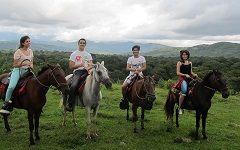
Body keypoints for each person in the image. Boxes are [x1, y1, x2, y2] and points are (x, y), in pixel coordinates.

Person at [0, 36, 34, 114]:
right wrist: (23, 63)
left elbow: (31, 61)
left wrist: (31, 65)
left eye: (29, 41)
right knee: (11, 86)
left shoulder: (31, 51)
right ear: (22, 43)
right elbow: (14, 64)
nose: (29, 43)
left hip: (27, 71)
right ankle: (6, 103)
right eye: (27, 41)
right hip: (18, 71)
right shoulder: (18, 52)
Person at [66, 38, 93, 111]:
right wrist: (81, 64)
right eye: (81, 43)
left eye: (83, 43)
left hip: (86, 71)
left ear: (85, 45)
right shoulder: (74, 54)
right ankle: (70, 104)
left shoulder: (88, 55)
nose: (82, 44)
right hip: (77, 72)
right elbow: (71, 66)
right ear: (78, 44)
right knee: (73, 85)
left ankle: (94, 101)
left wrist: (88, 68)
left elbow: (91, 65)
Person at [176, 50, 197, 114]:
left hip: (189, 78)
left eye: (186, 54)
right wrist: (185, 75)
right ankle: (180, 108)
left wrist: (194, 74)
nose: (184, 56)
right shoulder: (179, 63)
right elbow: (177, 73)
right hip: (182, 78)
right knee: (184, 90)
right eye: (183, 55)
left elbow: (191, 72)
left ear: (188, 55)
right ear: (181, 56)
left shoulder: (190, 63)